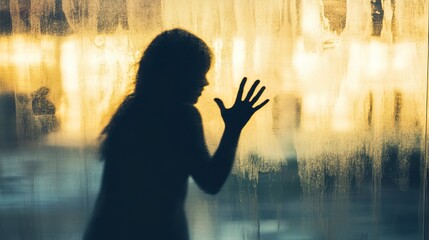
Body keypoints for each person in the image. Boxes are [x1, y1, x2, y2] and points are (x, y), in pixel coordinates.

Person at [83, 28, 269, 240]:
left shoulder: (132, 110)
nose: (205, 82)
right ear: (178, 73)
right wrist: (233, 128)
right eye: (199, 73)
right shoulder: (181, 116)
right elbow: (211, 181)